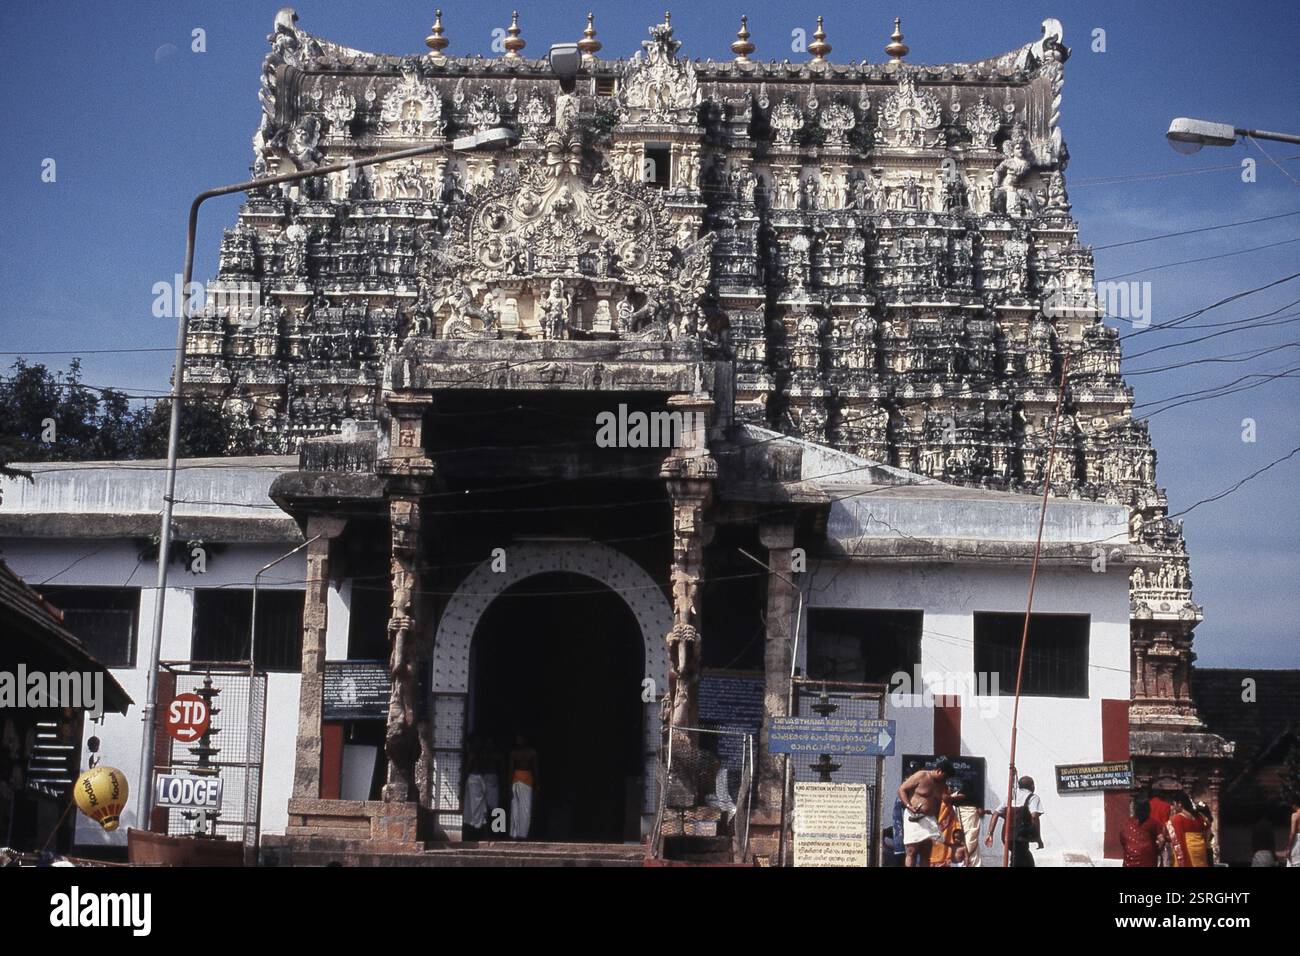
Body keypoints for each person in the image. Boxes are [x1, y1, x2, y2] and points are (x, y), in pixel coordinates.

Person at [897, 759, 954, 867]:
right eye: (945, 776)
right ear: (939, 771)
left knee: (926, 852)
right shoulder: (921, 775)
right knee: (911, 850)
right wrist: (909, 806)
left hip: (930, 819)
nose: (945, 780)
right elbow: (901, 789)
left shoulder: (941, 784)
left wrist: (938, 820)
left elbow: (938, 803)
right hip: (914, 817)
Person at [985, 775, 1043, 867]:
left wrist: (990, 834)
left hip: (1007, 836)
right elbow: (1035, 816)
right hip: (1021, 836)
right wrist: (1037, 837)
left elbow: (995, 813)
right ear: (1032, 786)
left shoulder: (1010, 796)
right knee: (1020, 861)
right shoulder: (1033, 797)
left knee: (1023, 860)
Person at [948, 775, 984, 867]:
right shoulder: (975, 795)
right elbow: (980, 812)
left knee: (967, 845)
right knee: (969, 844)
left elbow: (948, 800)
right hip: (968, 823)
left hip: (966, 822)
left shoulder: (956, 795)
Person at [1166, 791, 1210, 867]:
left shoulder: (1177, 819)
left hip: (1188, 852)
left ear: (1179, 804)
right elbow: (1207, 828)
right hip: (1200, 852)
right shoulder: (1199, 817)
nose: (1172, 807)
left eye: (1173, 804)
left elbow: (1176, 840)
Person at [508, 734, 539, 840]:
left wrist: (537, 785)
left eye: (520, 739)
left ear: (525, 740)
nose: (518, 741)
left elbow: (535, 769)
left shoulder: (532, 753)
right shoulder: (514, 753)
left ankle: (523, 835)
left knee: (525, 809)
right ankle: (514, 834)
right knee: (515, 808)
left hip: (527, 781)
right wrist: (508, 786)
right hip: (516, 780)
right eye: (517, 739)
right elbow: (510, 770)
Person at [1121, 799, 1158, 867]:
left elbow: (1123, 841)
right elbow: (1161, 839)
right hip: (1148, 862)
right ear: (1148, 810)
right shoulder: (1152, 823)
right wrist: (1157, 850)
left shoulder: (1127, 824)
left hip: (1129, 862)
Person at [1288, 800, 1300, 867]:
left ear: (1294, 805)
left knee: (1294, 862)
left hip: (1298, 840)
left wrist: (1288, 848)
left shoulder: (1295, 815)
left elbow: (1292, 832)